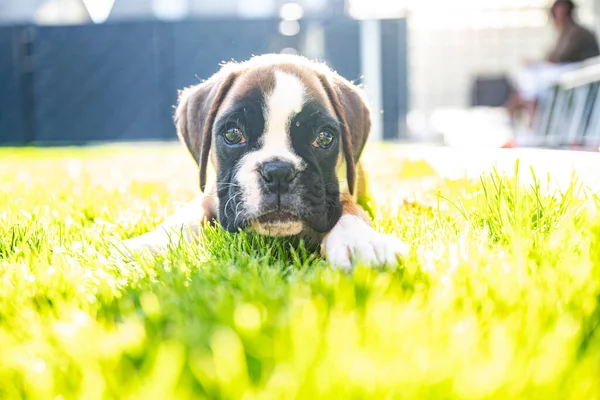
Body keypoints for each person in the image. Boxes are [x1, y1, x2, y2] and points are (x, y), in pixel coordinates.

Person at [506, 0, 600, 126]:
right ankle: (527, 116)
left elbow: (559, 58)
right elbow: (553, 56)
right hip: (571, 75)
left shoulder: (577, 32)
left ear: (566, 12)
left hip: (580, 76)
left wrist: (539, 62)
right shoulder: (566, 32)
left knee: (532, 77)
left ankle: (532, 118)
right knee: (528, 77)